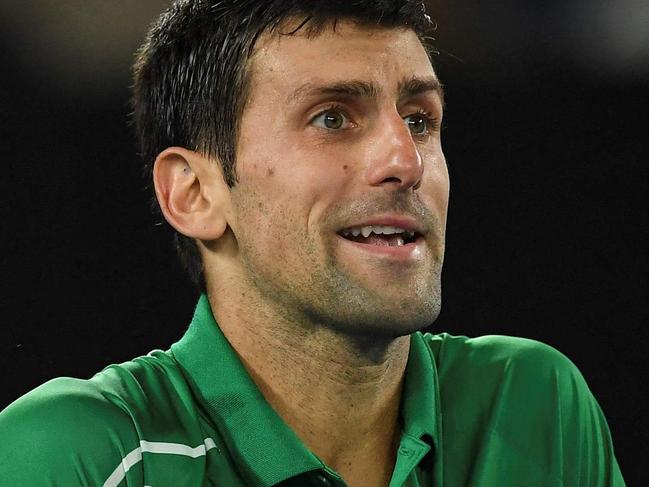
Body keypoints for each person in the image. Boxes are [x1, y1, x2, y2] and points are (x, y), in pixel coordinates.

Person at [0, 1, 626, 486]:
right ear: (194, 193)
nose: (405, 161)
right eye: (332, 118)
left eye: (419, 120)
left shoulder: (534, 401)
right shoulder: (77, 451)